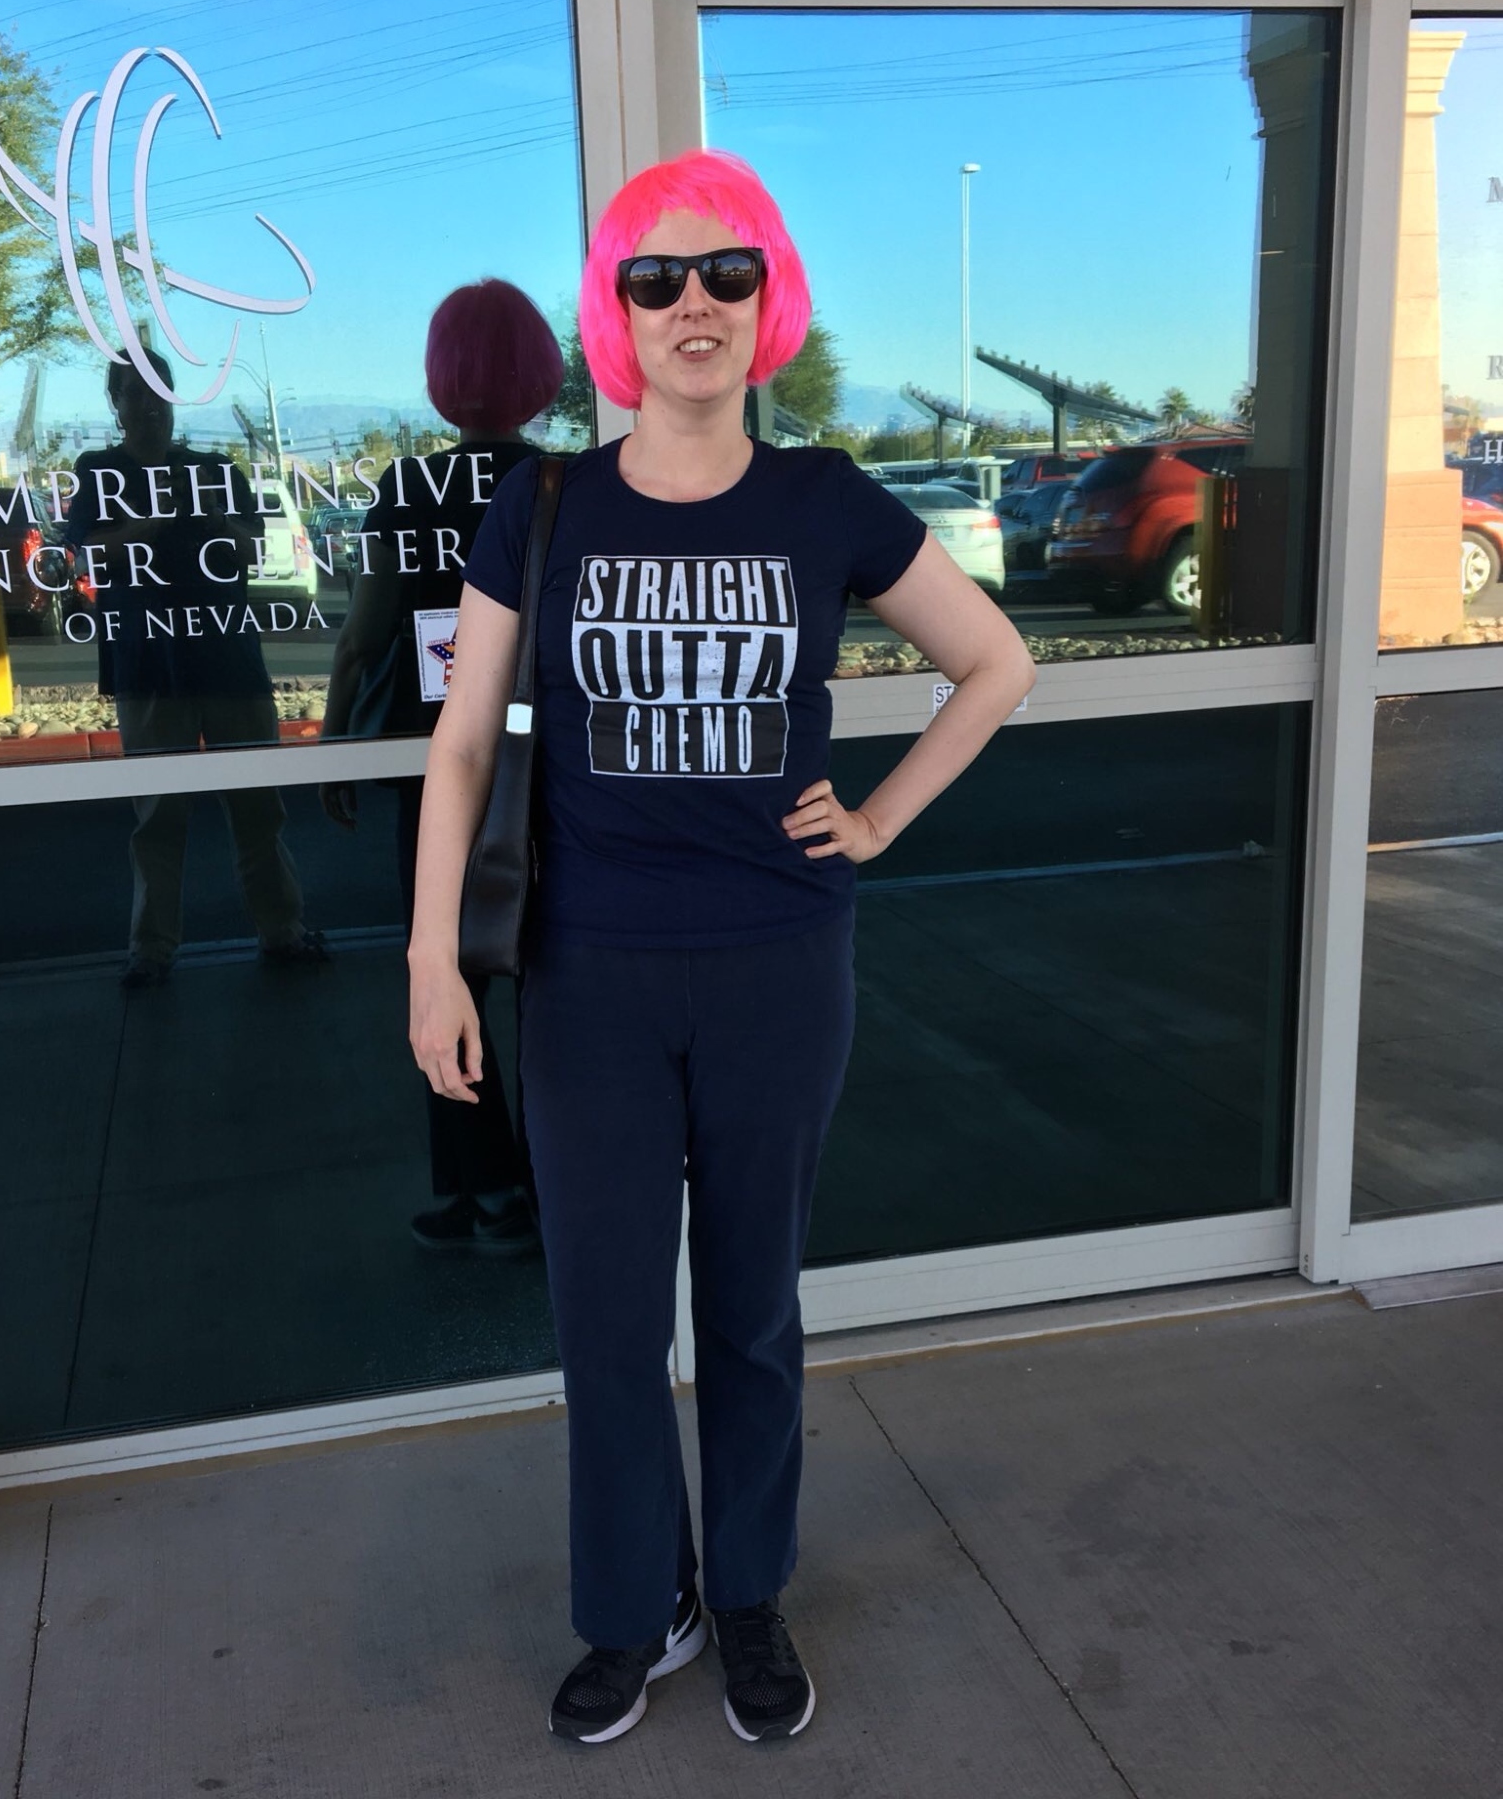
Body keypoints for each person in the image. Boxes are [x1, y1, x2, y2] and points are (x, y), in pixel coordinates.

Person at [407, 150, 1034, 1748]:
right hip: (590, 976)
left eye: (726, 273)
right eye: (655, 279)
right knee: (607, 1324)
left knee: (752, 1310)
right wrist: (430, 960)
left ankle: (747, 1591)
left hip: (776, 965)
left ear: (769, 300)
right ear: (616, 314)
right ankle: (639, 1609)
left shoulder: (822, 499)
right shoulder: (544, 503)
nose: (693, 303)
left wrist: (875, 820)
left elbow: (994, 662)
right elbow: (463, 745)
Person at [322, 280, 564, 1254]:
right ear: (539, 370)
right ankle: (517, 1188)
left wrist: (337, 742)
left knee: (444, 978)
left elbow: (363, 635)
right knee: (548, 981)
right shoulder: (564, 483)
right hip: (548, 768)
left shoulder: (410, 489)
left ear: (441, 375)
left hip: (437, 771)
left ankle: (487, 1187)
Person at [64, 350, 328, 989]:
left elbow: (250, 547)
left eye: (157, 390)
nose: (147, 405)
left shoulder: (215, 469)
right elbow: (86, 554)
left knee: (258, 807)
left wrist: (204, 511)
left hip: (228, 657)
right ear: (115, 403)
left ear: (174, 397)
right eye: (134, 393)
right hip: (148, 661)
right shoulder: (98, 471)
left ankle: (282, 931)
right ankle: (151, 950)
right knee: (158, 817)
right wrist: (161, 517)